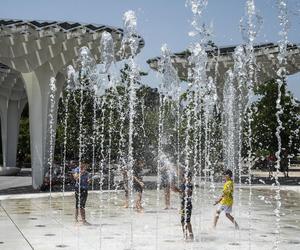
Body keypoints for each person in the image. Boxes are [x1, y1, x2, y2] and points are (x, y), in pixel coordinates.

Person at [174, 170, 194, 240]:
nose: (185, 178)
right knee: (182, 221)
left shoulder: (190, 185)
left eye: (188, 177)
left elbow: (188, 194)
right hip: (182, 206)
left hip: (188, 206)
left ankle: (191, 236)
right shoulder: (182, 184)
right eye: (184, 177)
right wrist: (175, 190)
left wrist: (179, 191)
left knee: (187, 221)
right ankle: (185, 235)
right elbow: (181, 193)